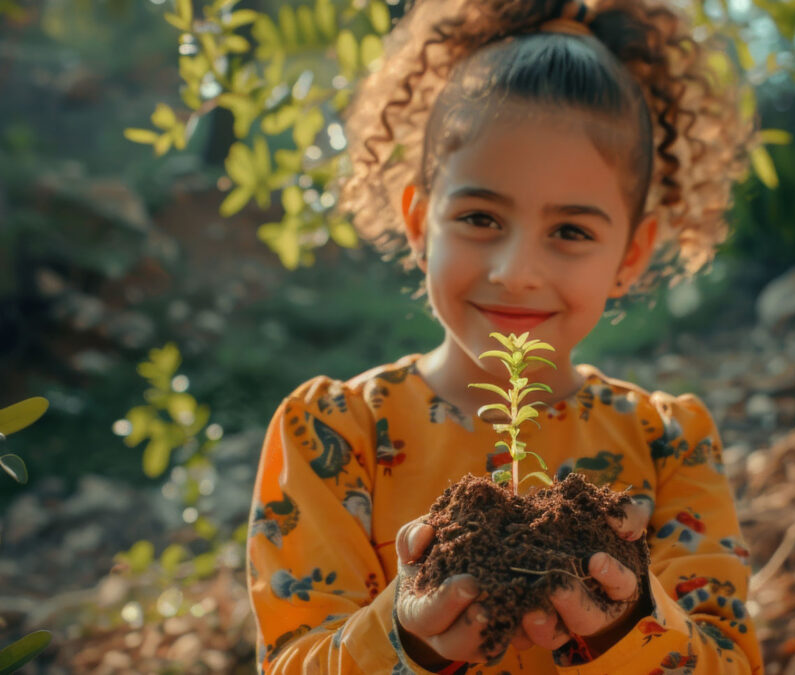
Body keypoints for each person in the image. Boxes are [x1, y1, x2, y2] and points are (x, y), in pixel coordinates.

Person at [246, 0, 762, 672]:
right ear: (420, 219)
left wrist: (630, 625)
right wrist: (406, 637)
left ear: (631, 255)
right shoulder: (333, 438)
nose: (517, 272)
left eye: (571, 231)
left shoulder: (669, 446)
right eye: (480, 217)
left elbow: (731, 661)